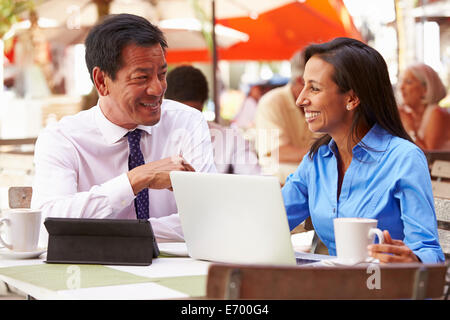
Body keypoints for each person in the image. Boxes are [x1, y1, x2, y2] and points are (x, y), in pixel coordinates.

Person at [31, 14, 216, 243]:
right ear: (101, 81)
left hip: (174, 270)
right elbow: (48, 224)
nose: (157, 89)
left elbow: (208, 216)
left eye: (162, 74)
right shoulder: (63, 139)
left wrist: (116, 232)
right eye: (142, 78)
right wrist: (136, 179)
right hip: (91, 273)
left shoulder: (187, 123)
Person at [282, 37, 444, 263]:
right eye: (304, 85)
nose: (301, 99)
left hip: (384, 291)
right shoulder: (318, 159)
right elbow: (272, 221)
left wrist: (413, 260)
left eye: (314, 88)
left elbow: (430, 254)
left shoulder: (404, 159)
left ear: (352, 98)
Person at [165, 65, 261, 175]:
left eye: (193, 115)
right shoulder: (149, 138)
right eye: (180, 115)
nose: (187, 122)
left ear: (203, 106)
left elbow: (253, 177)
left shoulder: (230, 139)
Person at [254, 50, 318, 184]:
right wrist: (323, 154)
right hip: (278, 185)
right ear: (301, 80)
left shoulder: (323, 103)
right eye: (318, 85)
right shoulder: (271, 102)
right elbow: (278, 153)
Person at [398, 63, 450, 150]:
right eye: (402, 82)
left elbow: (428, 156)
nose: (401, 87)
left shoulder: (437, 113)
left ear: (425, 89)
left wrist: (410, 129)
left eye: (408, 82)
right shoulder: (406, 114)